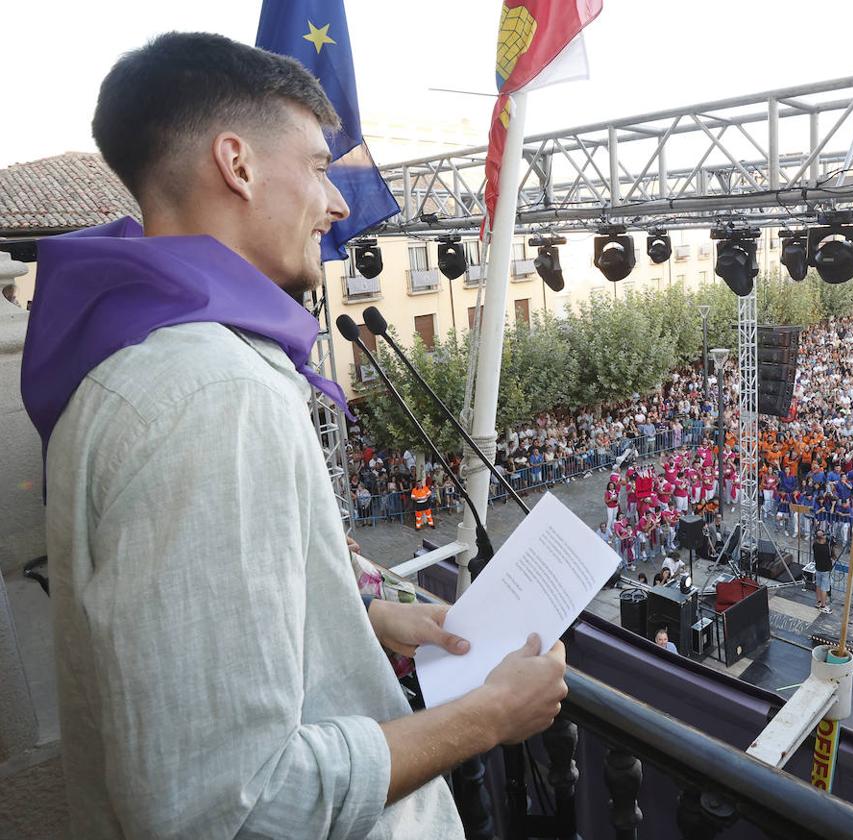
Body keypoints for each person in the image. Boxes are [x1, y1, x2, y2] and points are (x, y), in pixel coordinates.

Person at [23, 33, 570, 839]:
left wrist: (356, 621)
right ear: (237, 165)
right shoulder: (211, 395)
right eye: (319, 167)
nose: (340, 204)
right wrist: (485, 718)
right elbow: (228, 807)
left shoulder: (139, 356)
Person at [811, 530, 834, 614]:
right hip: (825, 570)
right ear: (822, 538)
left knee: (818, 585)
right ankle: (823, 606)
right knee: (824, 588)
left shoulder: (815, 545)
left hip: (818, 568)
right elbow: (832, 556)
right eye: (824, 534)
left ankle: (818, 602)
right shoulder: (826, 548)